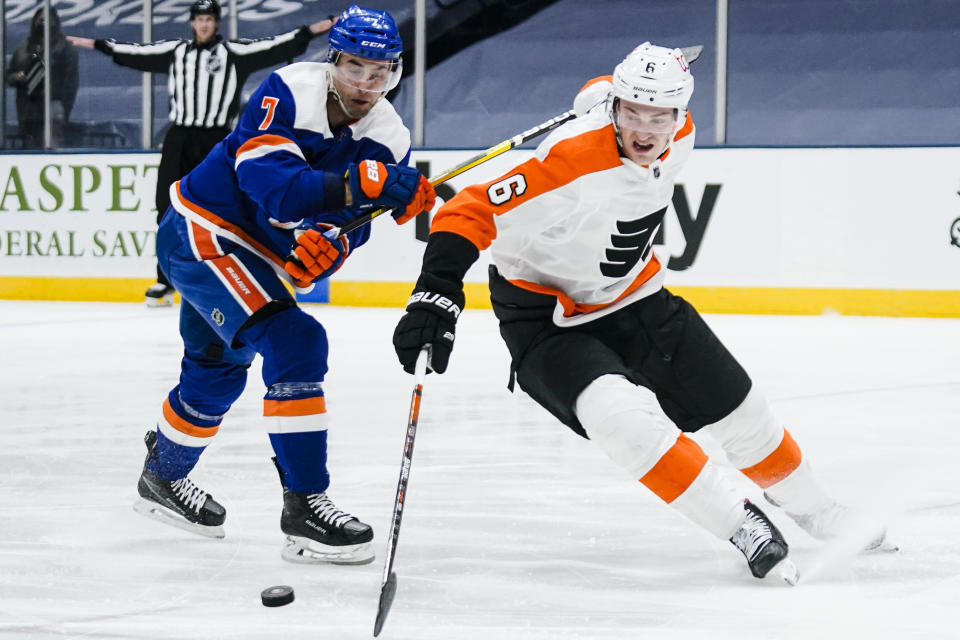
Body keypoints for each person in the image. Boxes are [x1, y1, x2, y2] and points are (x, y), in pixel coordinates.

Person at [392, 42, 893, 582]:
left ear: (680, 114)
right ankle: (738, 522)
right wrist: (435, 291)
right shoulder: (568, 160)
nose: (646, 131)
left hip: (636, 297)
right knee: (622, 422)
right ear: (615, 110)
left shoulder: (681, 134)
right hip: (545, 320)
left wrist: (613, 90)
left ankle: (819, 510)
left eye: (660, 115)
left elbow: (614, 89)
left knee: (741, 409)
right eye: (631, 112)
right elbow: (468, 209)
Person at [131, 5, 436, 566]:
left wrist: (330, 243)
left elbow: (355, 221)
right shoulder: (286, 91)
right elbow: (275, 189)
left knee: (216, 376)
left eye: (381, 72)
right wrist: (359, 184)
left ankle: (162, 477)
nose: (367, 85)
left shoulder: (389, 134)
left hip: (253, 258)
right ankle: (305, 506)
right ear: (332, 61)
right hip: (202, 235)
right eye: (355, 69)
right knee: (296, 341)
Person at [68, 0, 337, 307]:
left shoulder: (233, 53)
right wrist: (97, 44)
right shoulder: (176, 52)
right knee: (168, 207)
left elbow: (276, 45)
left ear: (217, 23)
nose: (204, 24)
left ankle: (232, 273)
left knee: (228, 210)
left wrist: (317, 28)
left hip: (217, 140)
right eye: (199, 19)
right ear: (192, 23)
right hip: (180, 138)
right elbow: (136, 53)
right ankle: (165, 280)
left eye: (209, 19)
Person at [5, 6, 79, 148]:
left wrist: (64, 110)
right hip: (28, 111)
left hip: (53, 110)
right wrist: (19, 76)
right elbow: (9, 76)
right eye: (40, 20)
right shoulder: (24, 48)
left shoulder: (66, 49)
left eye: (47, 20)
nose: (43, 24)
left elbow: (70, 85)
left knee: (53, 146)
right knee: (30, 148)